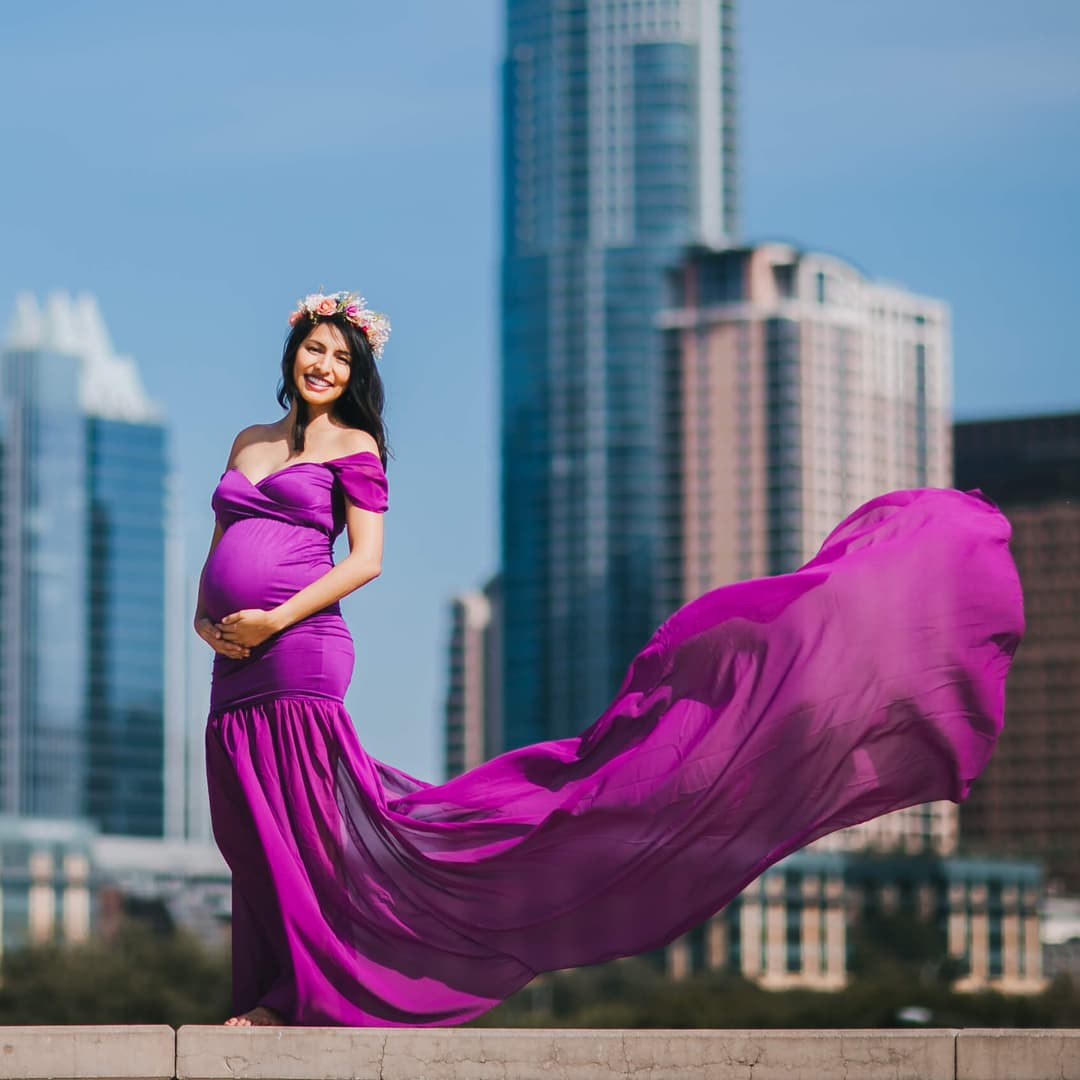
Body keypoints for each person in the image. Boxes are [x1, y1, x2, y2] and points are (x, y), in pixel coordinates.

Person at [198, 289, 1024, 1029]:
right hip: (232, 653)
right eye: (317, 348)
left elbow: (365, 560)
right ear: (293, 348)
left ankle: (294, 999)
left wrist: (273, 620)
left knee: (296, 825)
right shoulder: (248, 441)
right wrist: (212, 625)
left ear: (356, 375)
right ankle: (263, 987)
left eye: (344, 357)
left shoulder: (355, 449)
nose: (326, 365)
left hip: (297, 649)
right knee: (243, 822)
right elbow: (223, 540)